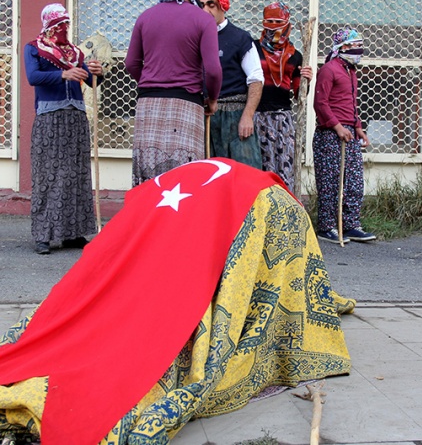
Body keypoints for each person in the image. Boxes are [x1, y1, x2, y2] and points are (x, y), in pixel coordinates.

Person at [0, 159, 354, 444]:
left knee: (124, 283)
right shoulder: (276, 201)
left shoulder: (263, 194)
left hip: (180, 196)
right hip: (211, 195)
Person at [125, 0, 222, 187]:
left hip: (148, 103)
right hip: (186, 104)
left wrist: (152, 82)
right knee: (183, 179)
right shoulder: (202, 19)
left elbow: (131, 63)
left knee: (149, 174)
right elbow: (214, 70)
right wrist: (213, 99)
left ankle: (147, 221)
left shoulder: (145, 17)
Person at [24, 3, 104, 255]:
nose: (63, 29)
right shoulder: (34, 49)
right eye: (58, 25)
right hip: (49, 119)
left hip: (75, 119)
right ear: (47, 25)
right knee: (48, 176)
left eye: (65, 24)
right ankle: (43, 236)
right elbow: (32, 77)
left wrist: (97, 74)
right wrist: (63, 75)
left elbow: (91, 83)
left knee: (75, 175)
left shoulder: (76, 53)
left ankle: (72, 233)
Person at [313, 26, 376, 244]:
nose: (360, 50)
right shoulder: (329, 70)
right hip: (330, 134)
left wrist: (357, 126)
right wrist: (337, 127)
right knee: (330, 181)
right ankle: (327, 226)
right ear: (344, 47)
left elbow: (351, 104)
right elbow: (320, 103)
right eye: (356, 46)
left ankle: (350, 225)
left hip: (349, 132)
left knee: (354, 180)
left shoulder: (351, 72)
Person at [198, 0, 265, 168]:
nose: (205, 10)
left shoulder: (240, 38)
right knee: (208, 175)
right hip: (205, 117)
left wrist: (247, 116)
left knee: (244, 173)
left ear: (222, 5)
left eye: (211, 4)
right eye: (201, 4)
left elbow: (256, 79)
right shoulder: (195, 37)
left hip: (236, 117)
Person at [253, 1, 313, 192]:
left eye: (278, 21)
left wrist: (306, 80)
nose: (273, 26)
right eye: (269, 21)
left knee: (283, 166)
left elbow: (298, 95)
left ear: (287, 23)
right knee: (259, 166)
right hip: (256, 116)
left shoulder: (295, 56)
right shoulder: (253, 49)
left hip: (282, 119)